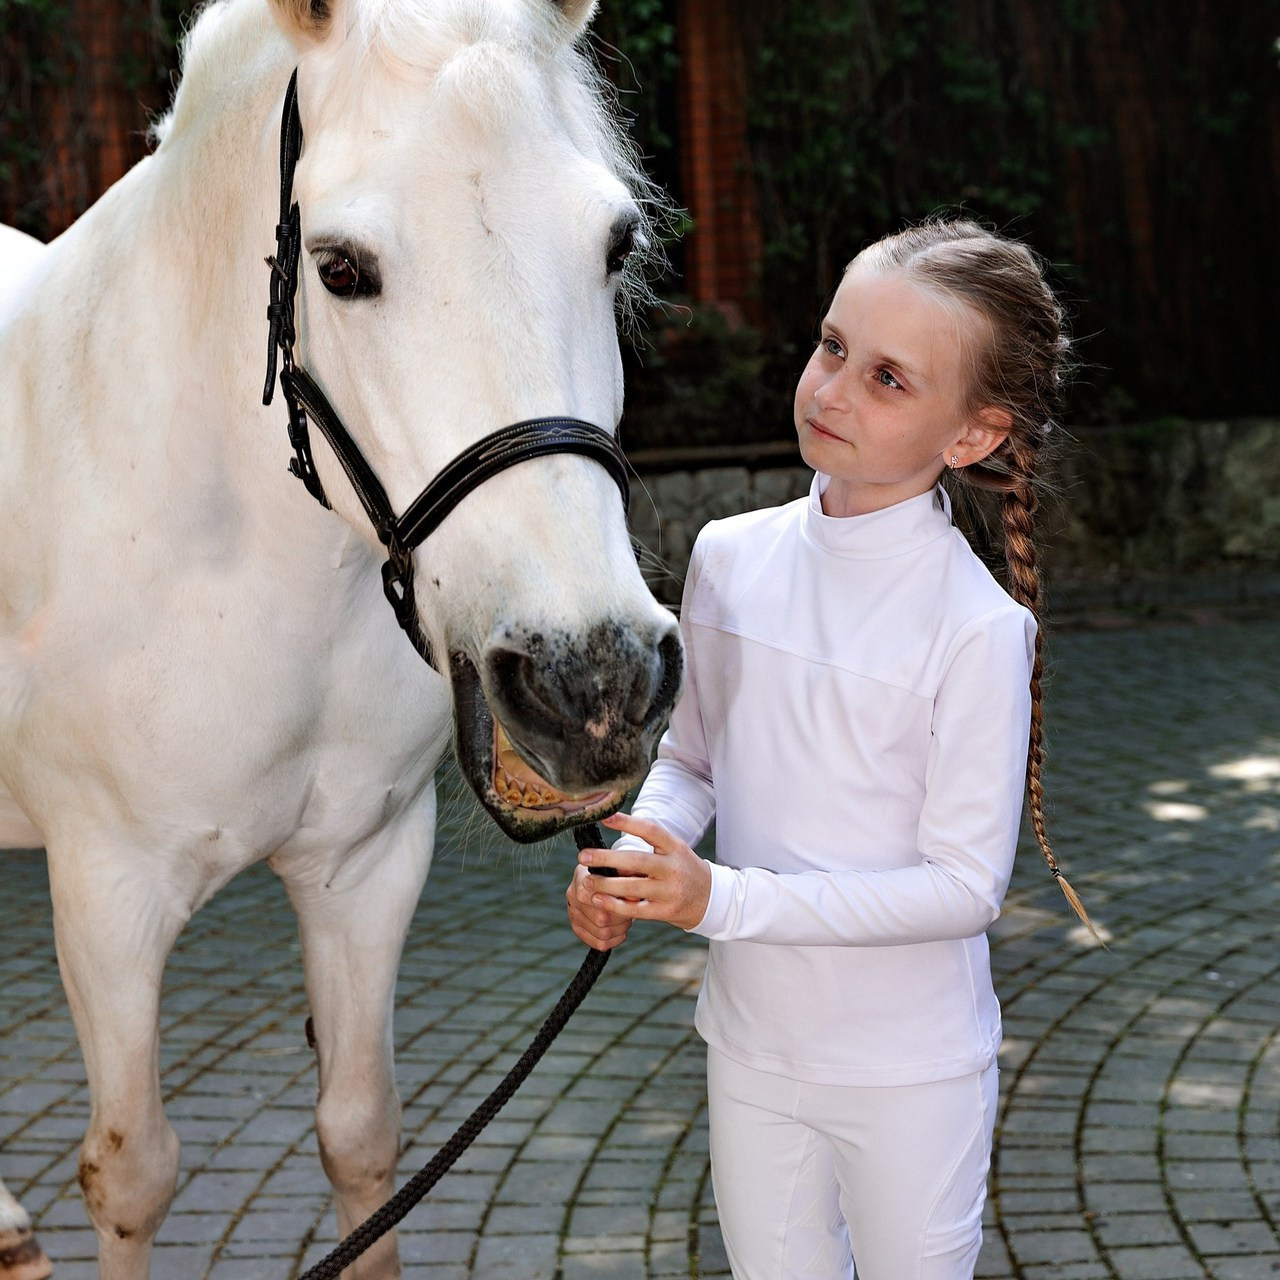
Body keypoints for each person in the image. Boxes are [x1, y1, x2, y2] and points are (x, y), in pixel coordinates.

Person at [565, 217, 1093, 1280]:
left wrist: (715, 899)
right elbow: (696, 758)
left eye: (889, 378)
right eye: (832, 345)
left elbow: (960, 888)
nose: (832, 388)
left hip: (909, 1072)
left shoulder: (977, 627)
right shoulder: (729, 558)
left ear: (972, 435)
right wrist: (636, 860)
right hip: (752, 1050)